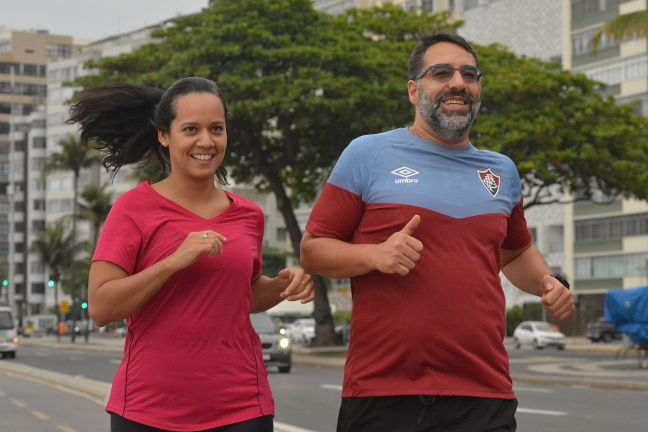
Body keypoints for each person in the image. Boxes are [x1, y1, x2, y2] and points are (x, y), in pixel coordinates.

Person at [300, 33, 574, 432]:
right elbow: (313, 251)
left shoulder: (501, 171)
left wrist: (550, 283)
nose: (458, 83)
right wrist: (374, 256)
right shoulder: (367, 154)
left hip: (485, 394)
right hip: (385, 391)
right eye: (441, 72)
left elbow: (514, 253)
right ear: (414, 90)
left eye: (470, 74)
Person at [69, 77, 314, 432]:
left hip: (241, 407)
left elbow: (242, 295)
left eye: (216, 129)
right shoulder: (133, 209)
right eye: (191, 129)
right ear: (164, 136)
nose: (206, 141)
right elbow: (102, 308)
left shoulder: (249, 215)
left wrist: (281, 285)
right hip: (148, 410)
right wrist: (172, 263)